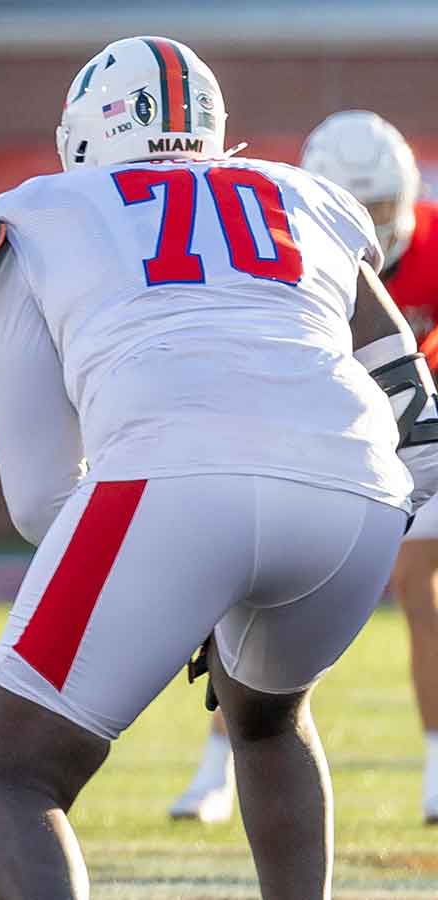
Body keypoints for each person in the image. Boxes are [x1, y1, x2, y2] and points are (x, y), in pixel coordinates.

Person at [0, 36, 438, 898]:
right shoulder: (306, 196)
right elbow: (415, 408)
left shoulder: (39, 214)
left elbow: (37, 496)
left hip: (170, 483)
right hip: (357, 494)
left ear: (86, 133)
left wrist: (171, 582)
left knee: (6, 780)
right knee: (269, 722)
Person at [170, 109, 438, 826]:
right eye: (358, 209)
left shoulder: (434, 246)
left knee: (422, 585)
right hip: (324, 438)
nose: (374, 226)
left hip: (422, 439)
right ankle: (215, 768)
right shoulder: (280, 252)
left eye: (383, 208)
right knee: (256, 601)